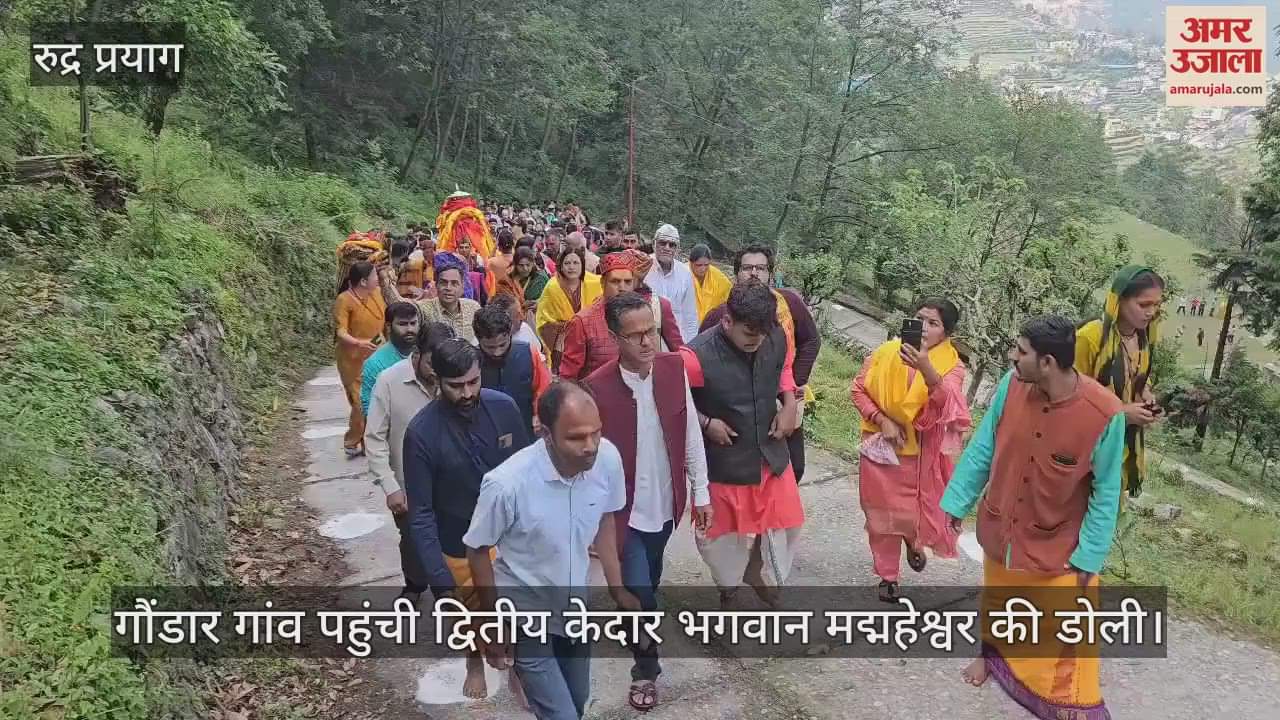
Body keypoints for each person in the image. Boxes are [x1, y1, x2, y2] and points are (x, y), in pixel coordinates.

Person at [940, 315, 1125, 720]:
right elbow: (984, 448)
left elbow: (1106, 492)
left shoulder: (1105, 415)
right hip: (1001, 524)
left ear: (1048, 363)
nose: (1012, 357)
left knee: (1069, 634)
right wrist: (955, 506)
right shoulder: (1011, 386)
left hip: (1056, 541)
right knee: (998, 603)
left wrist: (1088, 557)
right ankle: (990, 659)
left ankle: (1067, 703)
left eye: (1021, 351)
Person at [463, 382, 638, 720]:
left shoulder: (608, 460)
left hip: (575, 610)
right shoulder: (507, 484)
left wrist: (618, 588)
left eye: (596, 433)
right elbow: (477, 548)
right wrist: (491, 622)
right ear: (545, 434)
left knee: (577, 702)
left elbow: (605, 520)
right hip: (526, 614)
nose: (590, 447)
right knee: (563, 715)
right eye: (576, 437)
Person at [584, 292, 712, 711]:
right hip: (622, 514)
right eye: (635, 336)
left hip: (666, 505)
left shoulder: (674, 368)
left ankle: (631, 617)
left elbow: (690, 429)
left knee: (647, 582)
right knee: (640, 590)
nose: (646, 343)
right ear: (615, 338)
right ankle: (645, 670)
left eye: (651, 332)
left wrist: (701, 491)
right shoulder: (597, 388)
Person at [402, 339, 533, 699]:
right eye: (456, 386)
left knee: (518, 611)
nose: (466, 393)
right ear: (436, 382)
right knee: (472, 619)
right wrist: (440, 581)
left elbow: (528, 469)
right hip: (457, 542)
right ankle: (473, 660)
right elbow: (422, 512)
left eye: (473, 382)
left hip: (508, 537)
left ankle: (519, 670)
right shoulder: (421, 434)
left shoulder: (503, 408)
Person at [681, 283, 803, 608]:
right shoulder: (695, 356)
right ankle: (728, 586)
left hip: (769, 451)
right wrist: (707, 424)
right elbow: (674, 402)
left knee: (785, 522)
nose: (757, 341)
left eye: (762, 333)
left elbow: (784, 369)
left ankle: (755, 568)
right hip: (725, 460)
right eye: (749, 333)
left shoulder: (774, 335)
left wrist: (789, 403)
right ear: (727, 321)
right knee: (719, 540)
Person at [851, 298, 971, 601]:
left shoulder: (952, 366)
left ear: (947, 332)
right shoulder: (886, 352)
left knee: (915, 515)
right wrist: (883, 421)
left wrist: (925, 367)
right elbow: (858, 389)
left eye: (934, 323)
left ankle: (913, 540)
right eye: (921, 319)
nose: (925, 327)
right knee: (880, 518)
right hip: (882, 451)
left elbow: (949, 404)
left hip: (923, 457)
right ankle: (887, 576)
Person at [701, 245, 821, 482]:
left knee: (793, 466)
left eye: (761, 268)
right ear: (737, 274)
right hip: (738, 405)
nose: (754, 273)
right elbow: (702, 364)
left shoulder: (789, 304)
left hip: (785, 394)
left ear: (770, 273)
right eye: (747, 268)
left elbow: (811, 341)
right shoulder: (721, 315)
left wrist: (791, 388)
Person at [364, 322, 456, 606]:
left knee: (451, 540)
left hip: (451, 482)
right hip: (407, 486)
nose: (438, 372)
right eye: (432, 363)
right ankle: (415, 584)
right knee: (414, 540)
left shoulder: (453, 378)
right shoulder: (388, 381)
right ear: (417, 353)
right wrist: (390, 486)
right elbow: (375, 438)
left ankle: (448, 592)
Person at [1075, 266, 1164, 499]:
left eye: (1156, 305)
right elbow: (1067, 396)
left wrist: (1145, 394)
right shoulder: (1090, 337)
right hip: (1084, 451)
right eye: (1144, 304)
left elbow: (1138, 376)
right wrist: (1122, 414)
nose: (1151, 312)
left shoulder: (1144, 340)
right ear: (1120, 300)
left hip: (1119, 449)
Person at [559, 252, 684, 381]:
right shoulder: (582, 322)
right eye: (615, 281)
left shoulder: (644, 314)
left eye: (628, 282)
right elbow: (567, 378)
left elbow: (675, 354)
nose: (622, 288)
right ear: (603, 283)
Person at [473, 303, 553, 436]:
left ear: (510, 334)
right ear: (478, 340)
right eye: (490, 347)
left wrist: (539, 414)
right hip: (484, 431)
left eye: (502, 345)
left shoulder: (528, 353)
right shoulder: (472, 360)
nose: (497, 352)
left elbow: (543, 389)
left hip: (526, 427)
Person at [333, 261, 387, 458]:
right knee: (359, 403)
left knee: (377, 399)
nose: (377, 279)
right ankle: (352, 439)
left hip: (377, 353)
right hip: (352, 359)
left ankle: (368, 443)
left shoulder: (377, 293)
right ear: (363, 281)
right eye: (374, 276)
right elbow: (340, 331)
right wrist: (357, 343)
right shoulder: (344, 300)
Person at [379, 251, 482, 344]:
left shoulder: (473, 307)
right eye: (443, 283)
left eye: (454, 283)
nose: (448, 288)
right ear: (436, 285)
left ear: (462, 287)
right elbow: (398, 305)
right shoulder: (425, 308)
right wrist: (384, 279)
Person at [535, 247, 603, 371]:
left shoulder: (594, 282)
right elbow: (543, 320)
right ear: (561, 266)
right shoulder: (552, 287)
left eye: (576, 263)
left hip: (590, 340)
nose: (571, 267)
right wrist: (568, 327)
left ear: (582, 265)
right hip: (562, 343)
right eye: (567, 263)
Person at [359, 301, 420, 416]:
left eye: (413, 323)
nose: (410, 329)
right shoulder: (375, 364)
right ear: (388, 326)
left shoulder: (427, 356)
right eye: (402, 324)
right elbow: (369, 408)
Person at [644, 223, 700, 344]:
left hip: (677, 339)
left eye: (672, 245)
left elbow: (690, 315)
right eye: (662, 243)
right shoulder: (643, 267)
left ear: (677, 249)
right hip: (647, 337)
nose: (667, 248)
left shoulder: (685, 274)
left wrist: (690, 346)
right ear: (654, 244)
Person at [689, 244, 732, 323]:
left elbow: (729, 296)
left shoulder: (718, 277)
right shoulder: (683, 274)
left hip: (710, 324)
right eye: (699, 265)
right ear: (691, 263)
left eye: (706, 265)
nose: (703, 269)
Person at [513, 246, 551, 313]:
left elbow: (550, 297)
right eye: (521, 265)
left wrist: (538, 302)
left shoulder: (541, 278)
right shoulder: (509, 279)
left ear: (533, 263)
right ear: (515, 265)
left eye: (528, 265)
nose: (525, 269)